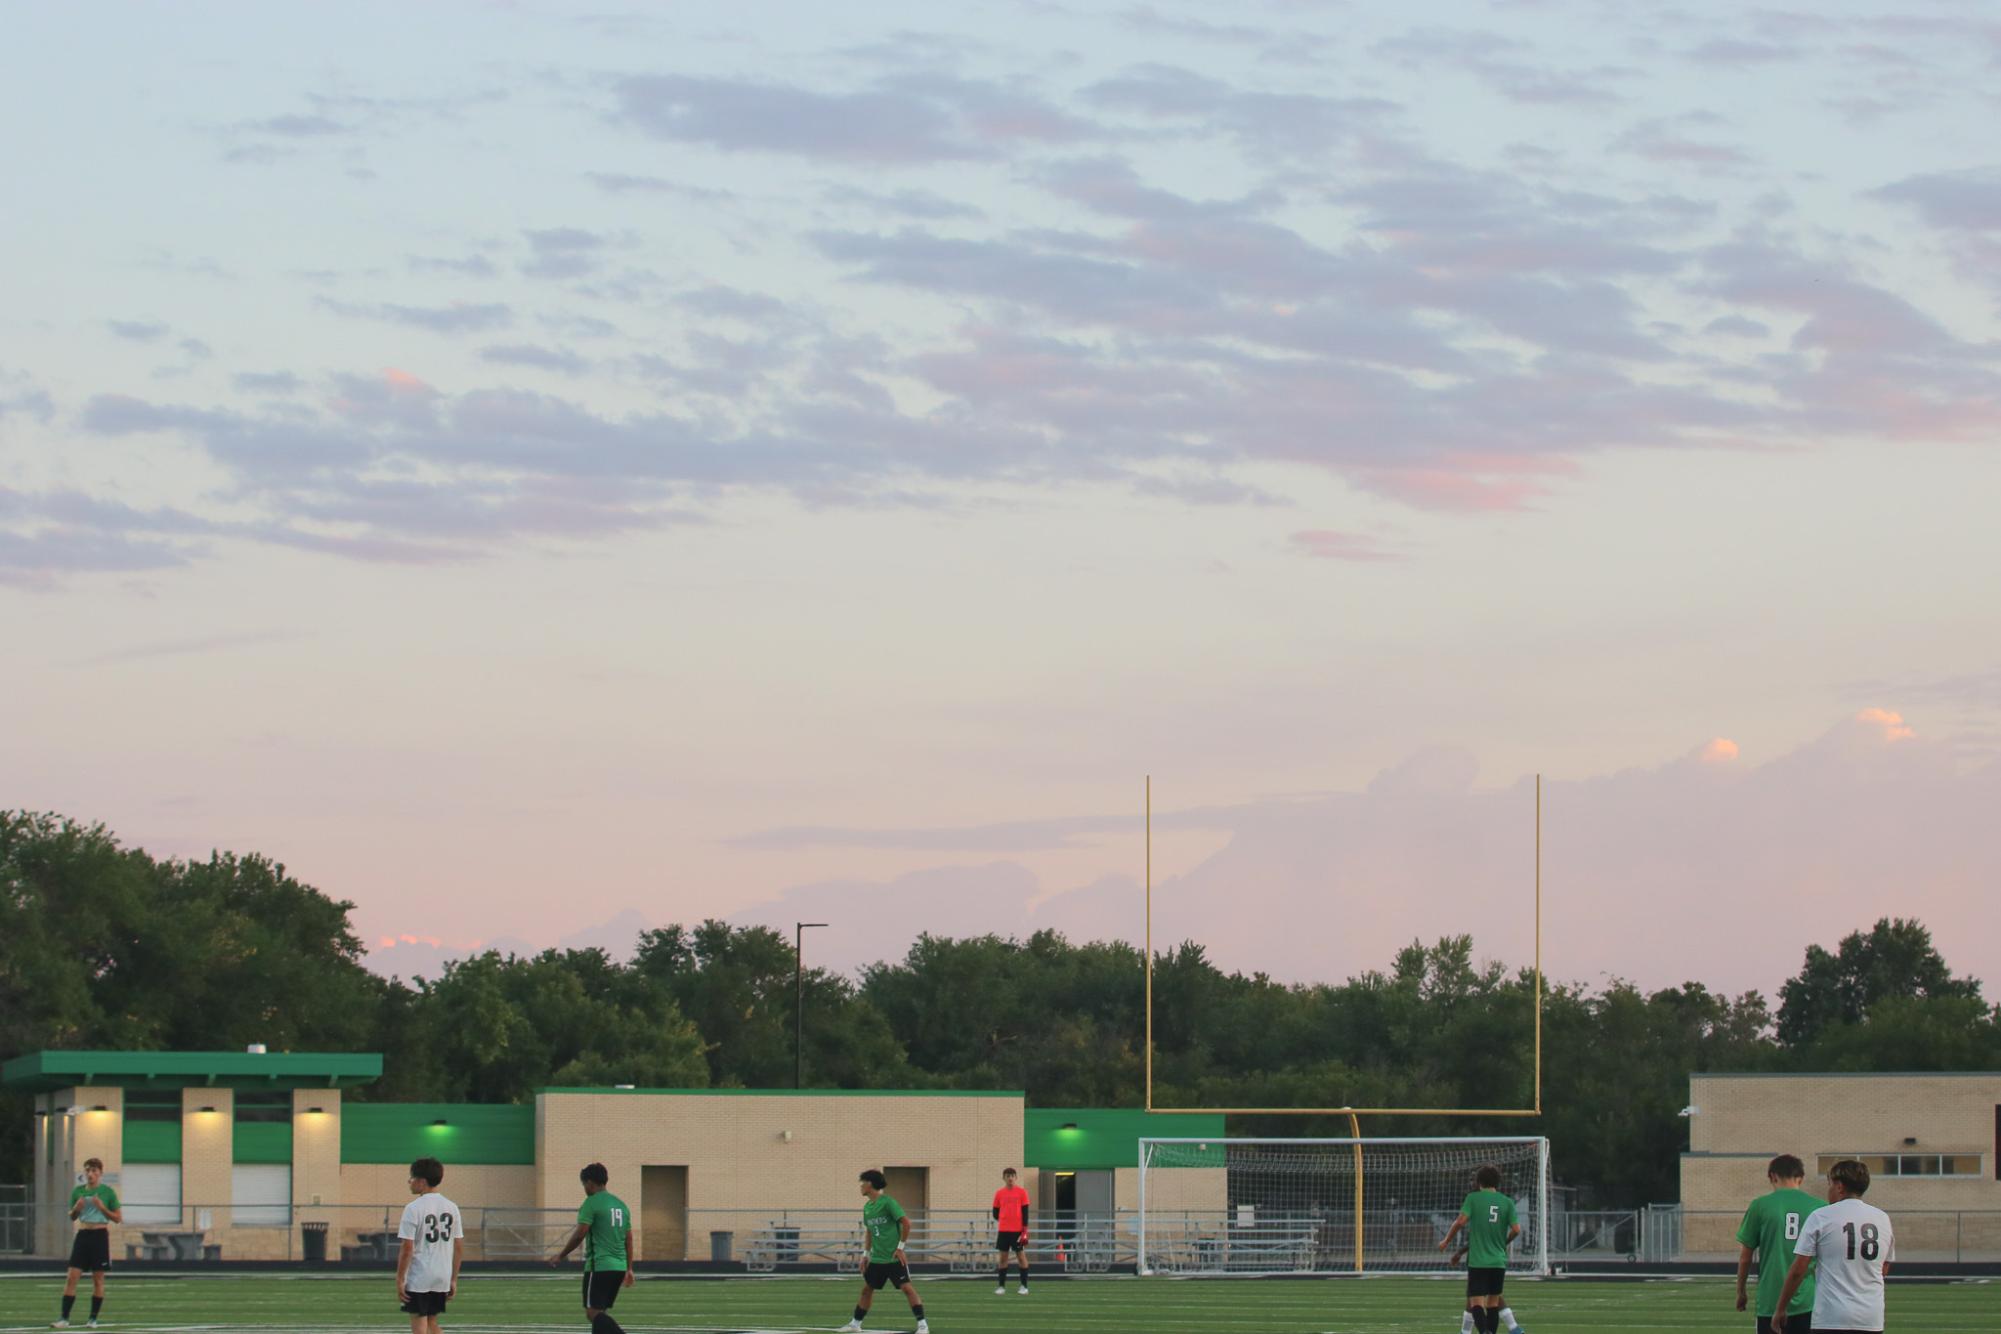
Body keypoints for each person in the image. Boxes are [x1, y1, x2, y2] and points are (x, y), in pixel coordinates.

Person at [1775, 1160, 1894, 1334]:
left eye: (1830, 1184)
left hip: (1831, 1317)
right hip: (1871, 1317)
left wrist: (1780, 1308)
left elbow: (1799, 1269)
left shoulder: (1821, 1216)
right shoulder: (1882, 1218)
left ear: (1839, 1187)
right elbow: (1883, 1268)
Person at [1735, 1154, 1821, 1334]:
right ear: (1801, 1178)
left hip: (1770, 1299)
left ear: (1773, 1176)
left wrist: (1741, 1291)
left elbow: (1745, 1257)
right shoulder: (1819, 1207)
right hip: (1807, 1300)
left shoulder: (1760, 1205)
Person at [1437, 1164, 1525, 1334]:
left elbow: (1461, 1222)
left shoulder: (1473, 1198)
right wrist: (1503, 1242)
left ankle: (1482, 1331)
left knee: (1476, 1302)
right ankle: (1497, 1330)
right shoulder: (1507, 1202)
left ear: (1479, 1182)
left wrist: (1446, 1240)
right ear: (1497, 1183)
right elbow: (1516, 1230)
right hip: (1498, 1261)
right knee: (1493, 1302)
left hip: (1478, 1261)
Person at [840, 1169, 929, 1334]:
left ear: (870, 1184)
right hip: (877, 1259)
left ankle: (923, 1325)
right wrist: (865, 1255)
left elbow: (906, 1223)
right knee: (867, 1289)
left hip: (894, 1258)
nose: (860, 1186)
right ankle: (855, 1324)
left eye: (863, 1182)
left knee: (907, 1289)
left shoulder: (888, 1202)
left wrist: (900, 1248)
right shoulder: (867, 1207)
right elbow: (869, 1231)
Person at [549, 1162, 634, 1334]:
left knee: (592, 1312)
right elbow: (629, 1238)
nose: (584, 1188)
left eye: (584, 1185)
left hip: (599, 1265)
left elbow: (580, 1234)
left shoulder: (591, 1203)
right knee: (601, 1312)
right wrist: (629, 1268)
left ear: (589, 1182)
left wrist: (561, 1255)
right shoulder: (621, 1205)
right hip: (619, 1267)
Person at [395, 1156, 464, 1334]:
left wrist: (400, 1278)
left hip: (420, 1275)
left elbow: (407, 1248)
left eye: (412, 1177)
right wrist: (453, 1278)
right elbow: (458, 1246)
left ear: (422, 1182)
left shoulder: (413, 1208)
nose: (409, 1181)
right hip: (442, 1275)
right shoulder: (452, 1207)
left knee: (419, 1325)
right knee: (432, 1324)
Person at [54, 1157, 120, 1329]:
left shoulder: (108, 1192)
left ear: (100, 1173)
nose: (90, 1174)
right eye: (88, 1171)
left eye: (94, 1171)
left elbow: (118, 1218)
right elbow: (72, 1216)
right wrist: (76, 1208)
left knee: (98, 1279)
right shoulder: (78, 1192)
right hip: (83, 1235)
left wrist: (101, 1207)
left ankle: (92, 1319)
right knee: (72, 1277)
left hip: (99, 1236)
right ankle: (64, 1318)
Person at [992, 1167, 1031, 1294]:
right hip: (1003, 1230)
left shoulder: (1022, 1192)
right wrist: (1005, 1218)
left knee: (1021, 1257)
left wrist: (1024, 1229)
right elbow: (995, 1212)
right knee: (1003, 1258)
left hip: (1017, 1231)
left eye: (1012, 1175)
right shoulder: (999, 1193)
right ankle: (1001, 1286)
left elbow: (1025, 1212)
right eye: (1007, 1176)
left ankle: (1024, 1286)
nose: (1010, 1178)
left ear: (1016, 1177)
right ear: (1004, 1178)